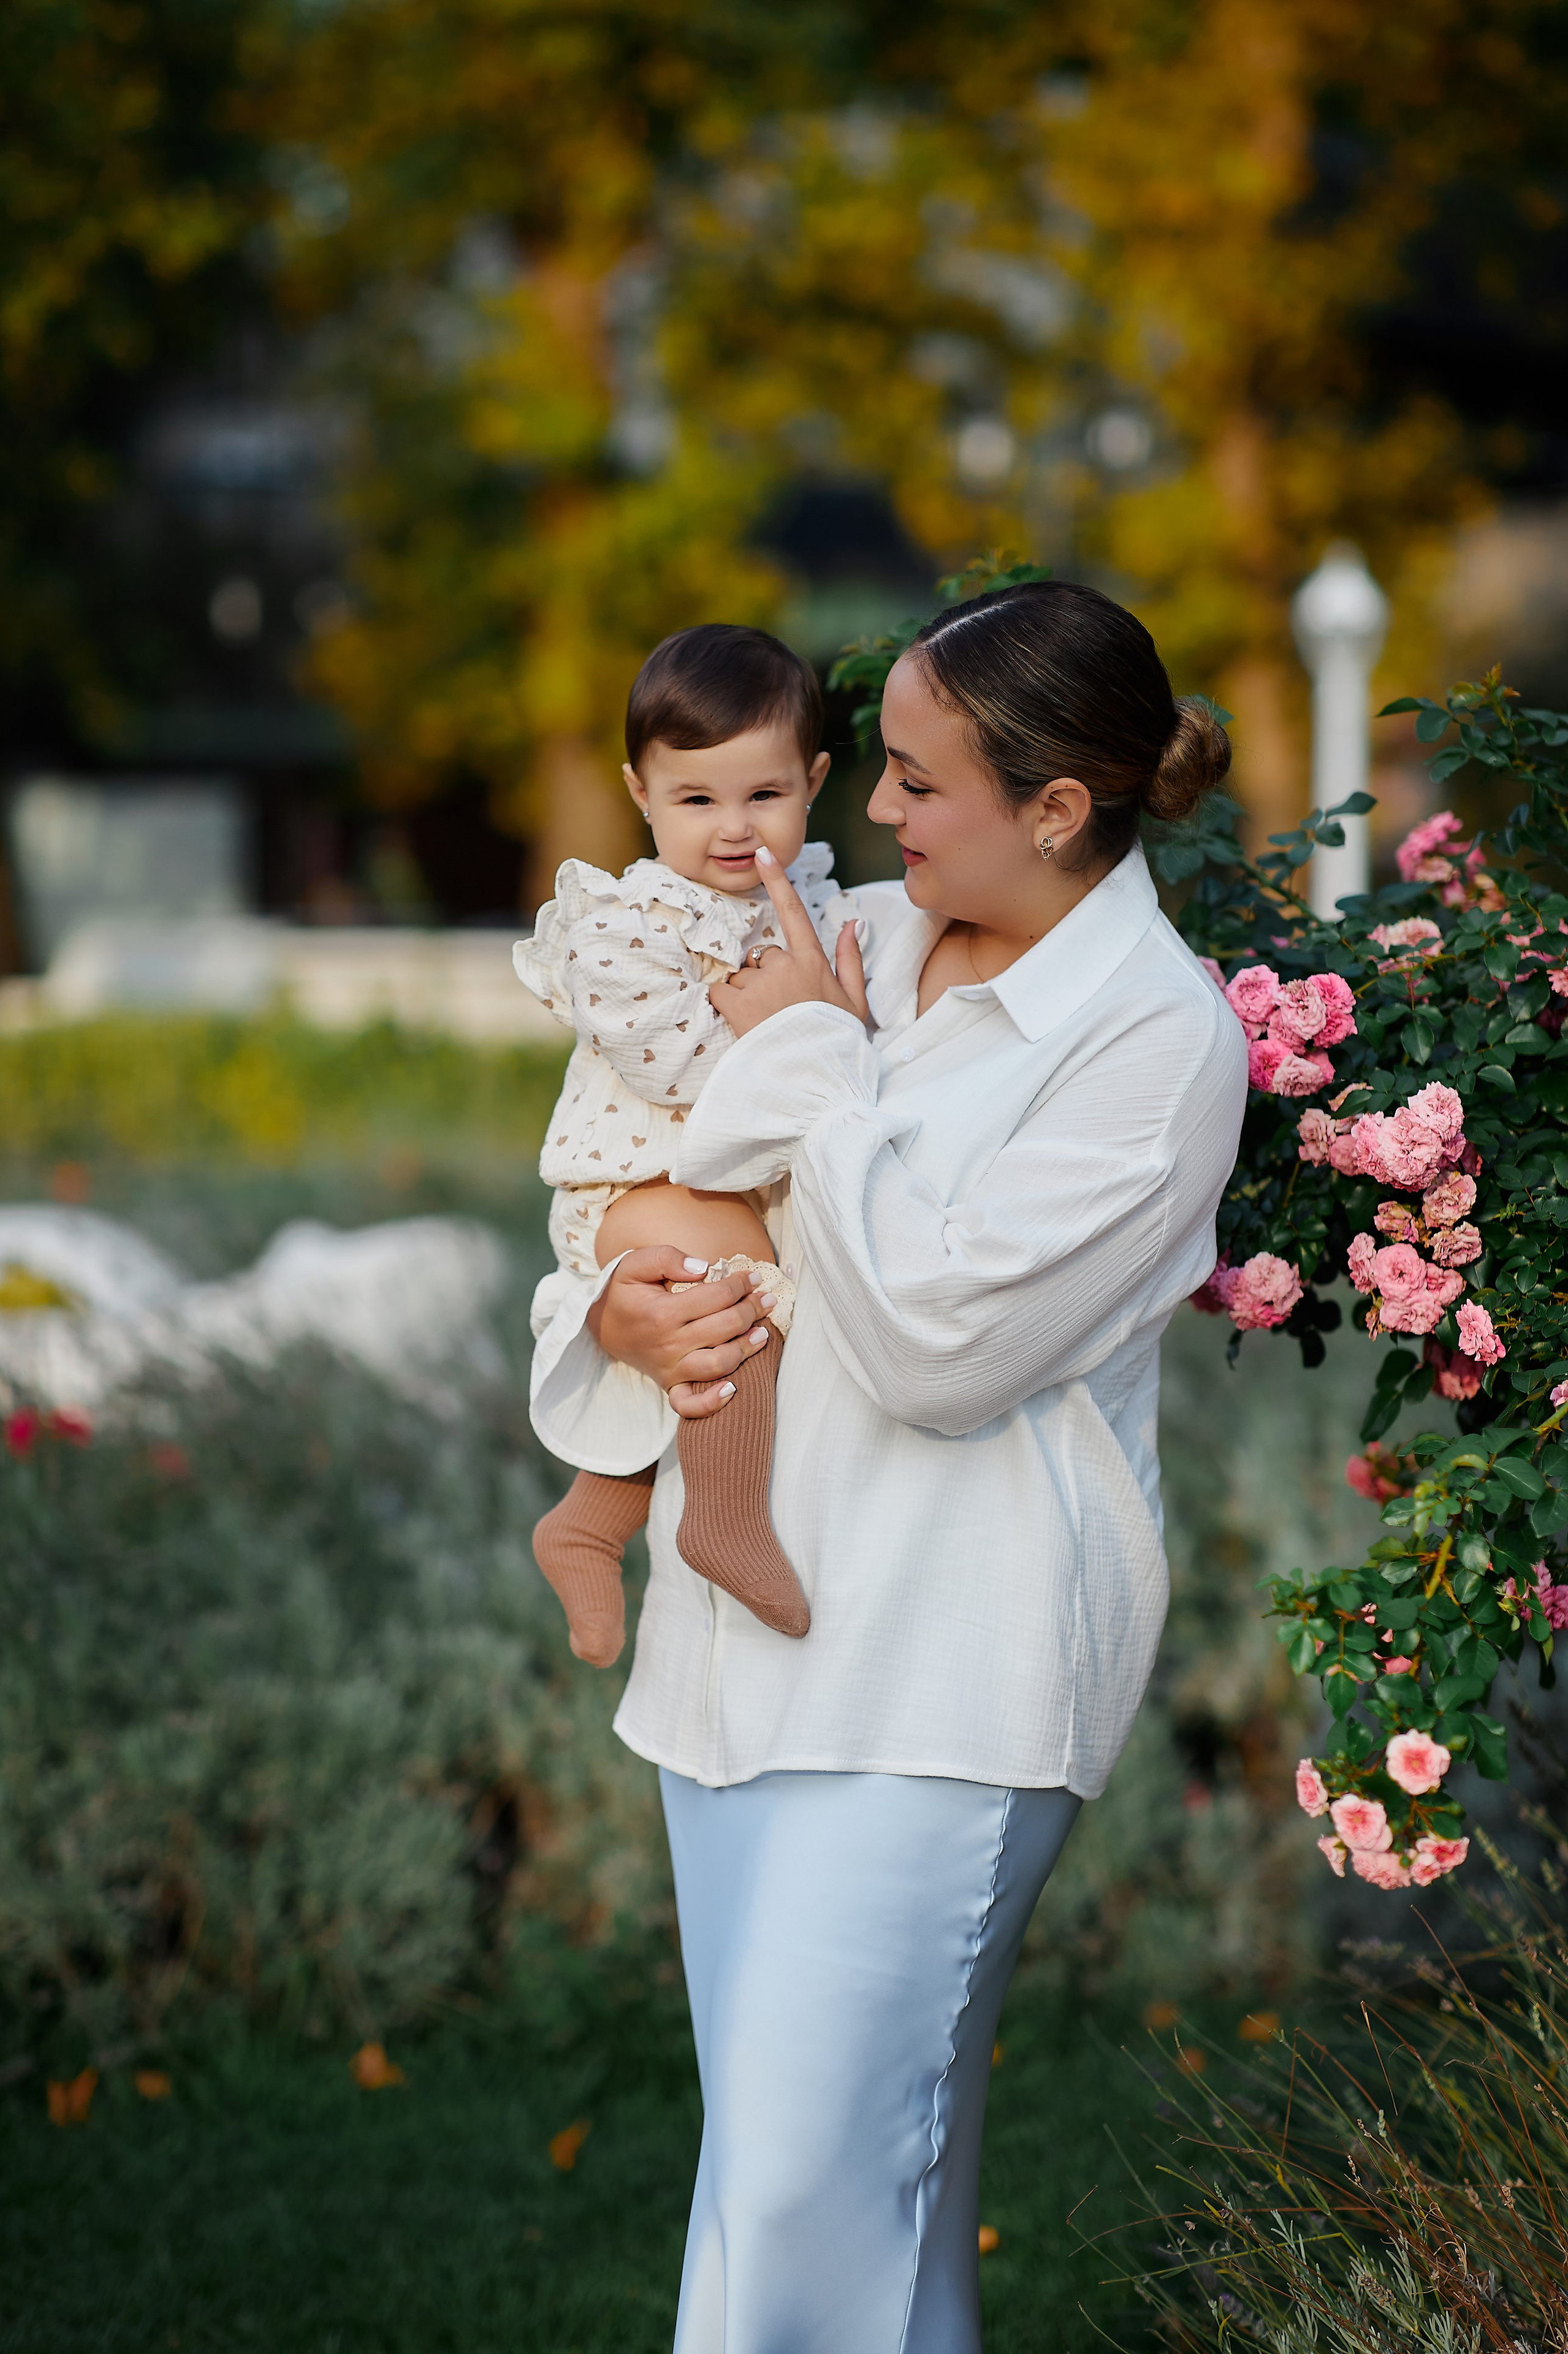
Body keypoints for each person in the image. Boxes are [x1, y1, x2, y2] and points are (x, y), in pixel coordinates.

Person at [528, 578, 1249, 2352]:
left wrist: (810, 1055)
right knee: (839, 2200)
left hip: (944, 1673)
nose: (873, 813)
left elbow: (939, 1347)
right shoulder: (863, 933)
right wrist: (617, 1316)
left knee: (800, 2201)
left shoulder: (1155, 1046)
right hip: (735, 1654)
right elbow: (657, 1183)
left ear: (1058, 808)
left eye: (917, 782)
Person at [515, 623, 861, 1668]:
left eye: (763, 797)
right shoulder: (625, 922)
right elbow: (675, 1064)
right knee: (734, 1288)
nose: (732, 828)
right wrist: (802, 1026)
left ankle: (591, 1517)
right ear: (640, 793)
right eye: (695, 800)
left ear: (814, 781)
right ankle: (722, 1517)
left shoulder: (832, 904)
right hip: (628, 1184)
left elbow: (864, 1045)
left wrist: (821, 1025)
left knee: (723, 1304)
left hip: (724, 1192)